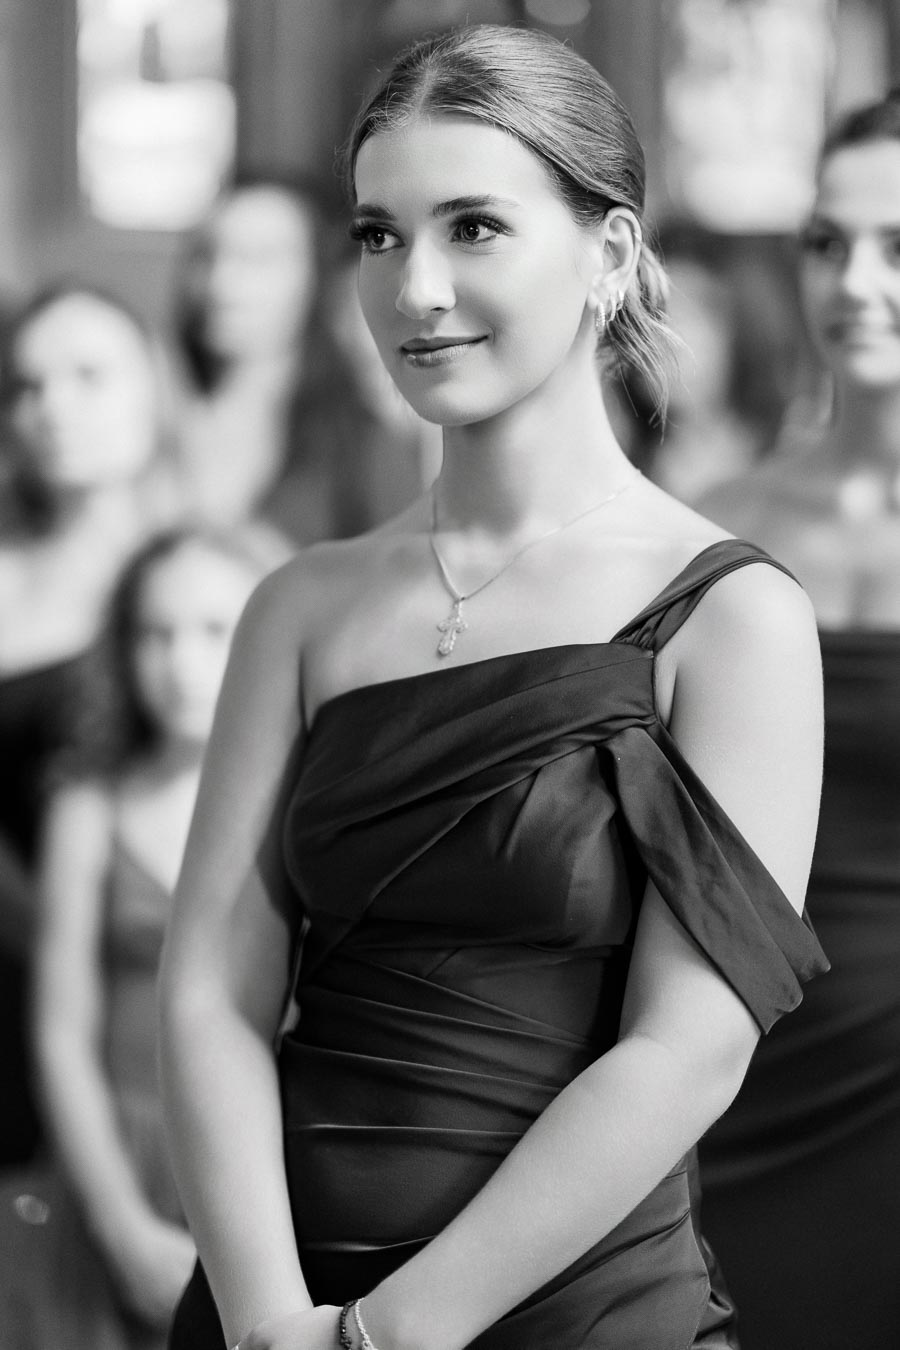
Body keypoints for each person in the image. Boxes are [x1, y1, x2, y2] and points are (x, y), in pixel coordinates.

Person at [159, 25, 827, 1350]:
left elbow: (690, 1044)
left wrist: (390, 1332)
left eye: (473, 228)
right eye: (379, 235)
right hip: (272, 1298)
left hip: (575, 1308)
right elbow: (208, 997)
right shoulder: (300, 604)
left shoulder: (731, 615)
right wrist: (268, 1319)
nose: (415, 291)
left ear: (610, 252)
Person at [696, 90, 900, 1350]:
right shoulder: (723, 522)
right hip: (748, 1051)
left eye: (897, 246)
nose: (855, 282)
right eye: (827, 242)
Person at [18, 526, 277, 1350]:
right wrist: (121, 1226)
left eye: (213, 629)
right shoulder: (89, 806)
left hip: (267, 1164)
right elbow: (60, 1034)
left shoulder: (306, 797)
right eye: (154, 634)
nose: (180, 662)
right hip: (115, 1161)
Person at [0, 282, 172, 1171]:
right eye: (28, 385)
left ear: (154, 385)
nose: (53, 407)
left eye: (88, 376)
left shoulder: (202, 577)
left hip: (131, 981)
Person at [172, 175, 424, 544]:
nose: (221, 280)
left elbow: (408, 567)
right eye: (208, 254)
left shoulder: (360, 442)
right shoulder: (152, 411)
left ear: (315, 276)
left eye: (259, 258)